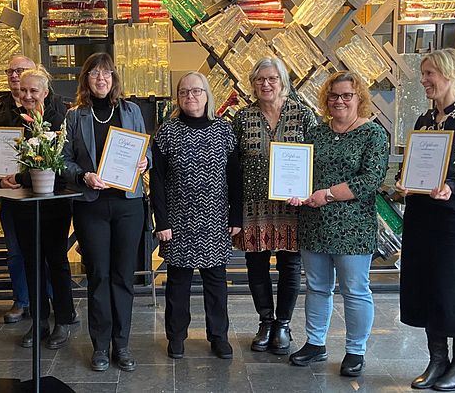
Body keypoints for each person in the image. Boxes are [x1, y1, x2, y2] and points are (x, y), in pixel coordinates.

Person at [287, 71, 388, 377]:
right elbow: (301, 173)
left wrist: (327, 195)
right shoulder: (316, 134)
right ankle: (316, 343)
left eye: (347, 95)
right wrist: (295, 192)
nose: (340, 101)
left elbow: (370, 179)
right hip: (314, 223)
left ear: (359, 98)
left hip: (353, 228)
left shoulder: (373, 134)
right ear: (325, 100)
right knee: (316, 287)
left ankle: (356, 350)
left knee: (355, 290)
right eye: (334, 96)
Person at [397, 48, 455, 391]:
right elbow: (420, 165)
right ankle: (437, 361)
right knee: (428, 287)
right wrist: (407, 182)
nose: (424, 81)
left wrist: (454, 185)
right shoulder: (424, 120)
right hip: (423, 218)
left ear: (448, 73)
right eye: (423, 74)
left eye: (429, 73)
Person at [62, 53, 150, 372]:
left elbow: (146, 150)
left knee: (122, 276)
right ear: (86, 79)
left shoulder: (130, 110)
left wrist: (145, 162)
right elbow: (64, 160)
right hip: (92, 205)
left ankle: (122, 344)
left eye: (107, 74)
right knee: (98, 275)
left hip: (128, 204)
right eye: (94, 74)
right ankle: (100, 345)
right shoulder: (76, 116)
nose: (101, 79)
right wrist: (82, 176)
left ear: (114, 78)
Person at [150, 71, 240, 360]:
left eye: (196, 91)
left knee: (216, 284)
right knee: (178, 285)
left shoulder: (224, 131)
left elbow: (235, 178)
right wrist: (161, 221)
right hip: (178, 221)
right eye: (184, 92)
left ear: (207, 95)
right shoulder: (166, 131)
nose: (190, 96)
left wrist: (236, 217)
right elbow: (157, 180)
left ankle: (219, 337)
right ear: (178, 98)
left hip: (215, 219)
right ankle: (176, 337)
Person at [233, 58, 317, 355]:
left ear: (283, 81)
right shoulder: (242, 118)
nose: (266, 85)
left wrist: (307, 192)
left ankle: (283, 324)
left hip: (292, 206)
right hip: (253, 205)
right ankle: (265, 322)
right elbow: (234, 163)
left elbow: (315, 159)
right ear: (252, 85)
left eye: (271, 79)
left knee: (289, 265)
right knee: (255, 264)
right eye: (259, 80)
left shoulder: (303, 114)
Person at [0, 67, 76, 350]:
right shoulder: (13, 120)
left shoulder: (60, 121)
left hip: (54, 203)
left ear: (45, 92)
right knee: (31, 261)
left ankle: (64, 320)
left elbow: (58, 165)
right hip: (23, 203)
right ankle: (39, 320)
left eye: (34, 91)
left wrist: (18, 176)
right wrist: (7, 176)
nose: (28, 95)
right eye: (24, 90)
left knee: (56, 260)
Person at [0, 54, 66, 324]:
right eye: (12, 73)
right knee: (16, 251)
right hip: (13, 195)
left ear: (43, 87)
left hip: (49, 197)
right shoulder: (0, 108)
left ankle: (55, 302)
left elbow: (63, 155)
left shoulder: (59, 112)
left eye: (22, 73)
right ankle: (23, 300)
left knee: (50, 253)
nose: (27, 93)